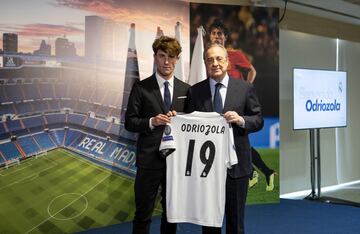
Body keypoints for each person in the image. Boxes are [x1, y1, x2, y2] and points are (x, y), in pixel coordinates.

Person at [186, 43, 263, 234]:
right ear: (205, 63)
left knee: (235, 224)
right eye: (210, 59)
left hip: (237, 169)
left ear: (228, 62)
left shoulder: (245, 88)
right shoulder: (194, 91)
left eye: (219, 58)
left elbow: (258, 120)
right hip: (206, 169)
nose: (215, 63)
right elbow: (188, 129)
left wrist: (241, 120)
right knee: (209, 224)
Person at [125, 36, 190, 234]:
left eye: (171, 56)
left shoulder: (187, 90)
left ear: (177, 59)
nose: (167, 61)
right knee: (143, 215)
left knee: (171, 216)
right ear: (155, 57)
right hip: (149, 162)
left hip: (175, 162)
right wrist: (152, 121)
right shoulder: (141, 88)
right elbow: (130, 122)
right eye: (162, 56)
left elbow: (192, 124)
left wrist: (182, 118)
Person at [208, 19, 276, 191]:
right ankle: (265, 172)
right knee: (235, 143)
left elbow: (252, 71)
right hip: (218, 106)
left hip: (236, 106)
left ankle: (254, 172)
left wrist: (245, 90)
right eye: (214, 33)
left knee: (239, 141)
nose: (216, 36)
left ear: (225, 37)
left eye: (220, 34)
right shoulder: (209, 58)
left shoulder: (235, 54)